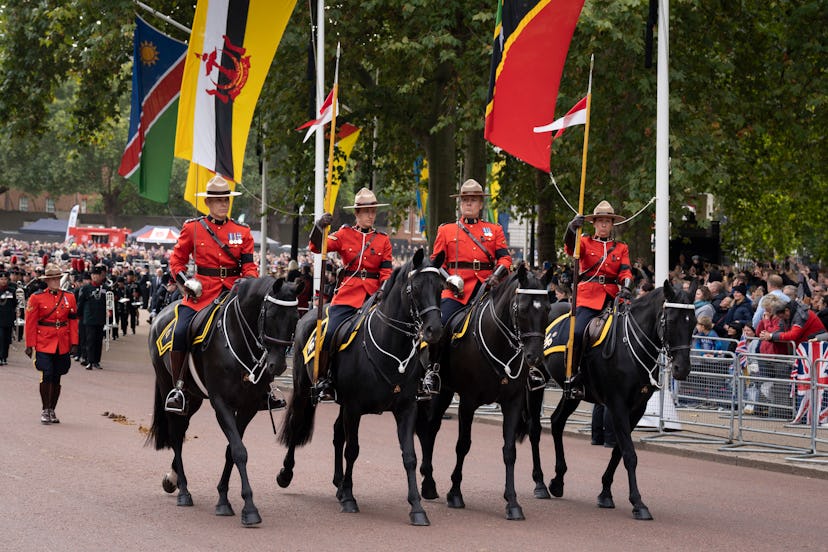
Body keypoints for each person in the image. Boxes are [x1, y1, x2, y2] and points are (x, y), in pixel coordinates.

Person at [167, 175, 258, 414]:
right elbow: (176, 261)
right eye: (218, 200)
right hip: (201, 294)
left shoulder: (242, 231)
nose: (223, 204)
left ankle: (264, 388)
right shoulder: (193, 228)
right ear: (207, 202)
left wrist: (246, 282)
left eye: (226, 199)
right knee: (180, 330)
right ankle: (177, 388)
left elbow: (249, 266)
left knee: (259, 328)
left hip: (233, 293)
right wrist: (186, 282)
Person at [309, 187, 393, 402]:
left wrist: (383, 290)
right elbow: (318, 247)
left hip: (374, 298)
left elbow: (386, 272)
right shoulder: (345, 234)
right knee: (329, 333)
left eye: (373, 211)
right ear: (357, 213)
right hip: (348, 295)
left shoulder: (383, 240)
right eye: (366, 211)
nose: (371, 215)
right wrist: (319, 227)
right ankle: (325, 379)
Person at [430, 179, 514, 390]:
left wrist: (496, 276)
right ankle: (433, 371)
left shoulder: (494, 230)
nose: (469, 204)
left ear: (480, 204)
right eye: (465, 200)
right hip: (456, 291)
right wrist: (448, 280)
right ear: (460, 203)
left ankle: (520, 372)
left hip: (486, 289)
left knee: (512, 323)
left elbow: (505, 259)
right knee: (438, 326)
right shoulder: (446, 230)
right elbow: (435, 263)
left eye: (473, 200)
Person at [564, 200, 634, 398]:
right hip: (588, 297)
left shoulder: (621, 248)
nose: (604, 225)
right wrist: (571, 229)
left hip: (613, 298)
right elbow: (570, 249)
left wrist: (627, 287)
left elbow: (626, 271)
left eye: (608, 221)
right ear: (593, 223)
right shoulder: (585, 242)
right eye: (600, 221)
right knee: (577, 333)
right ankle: (574, 375)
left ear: (612, 225)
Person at [24, 263, 79, 424]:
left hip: (62, 341)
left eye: (57, 278)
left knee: (57, 376)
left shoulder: (69, 297)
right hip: (44, 341)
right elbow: (31, 322)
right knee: (46, 373)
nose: (55, 281)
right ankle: (45, 409)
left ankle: (52, 410)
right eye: (52, 279)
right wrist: (29, 344)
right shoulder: (37, 297)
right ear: (47, 281)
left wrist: (74, 342)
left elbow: (73, 321)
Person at [76, 265, 107, 370]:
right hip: (89, 317)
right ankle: (89, 360)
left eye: (97, 275)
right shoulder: (85, 288)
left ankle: (96, 361)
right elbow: (80, 303)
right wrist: (79, 315)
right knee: (90, 340)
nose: (95, 277)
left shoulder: (105, 288)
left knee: (98, 340)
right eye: (93, 275)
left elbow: (108, 303)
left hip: (100, 317)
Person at [0, 271, 16, 364]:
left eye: (5, 279)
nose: (3, 281)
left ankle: (5, 356)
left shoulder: (11, 290)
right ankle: (0, 356)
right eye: (1, 279)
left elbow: (14, 303)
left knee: (6, 339)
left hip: (8, 318)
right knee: (0, 337)